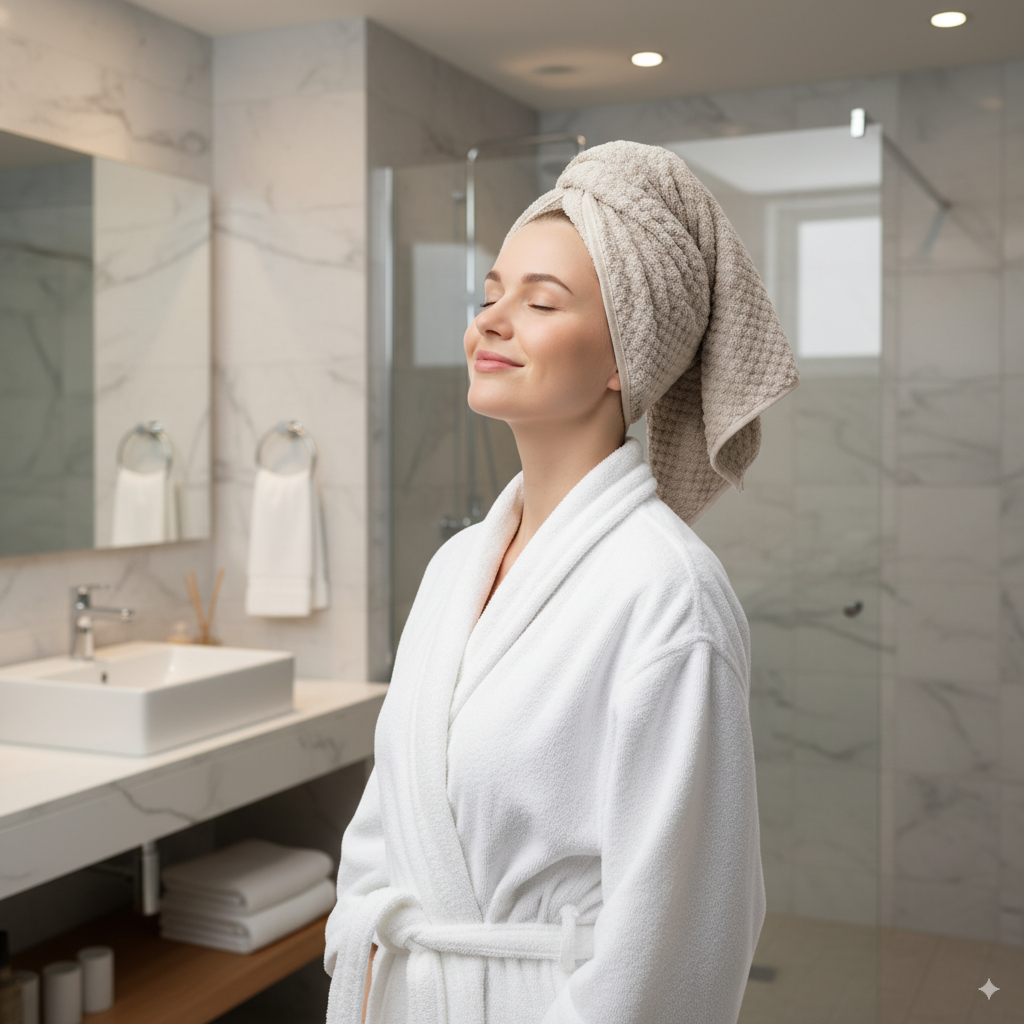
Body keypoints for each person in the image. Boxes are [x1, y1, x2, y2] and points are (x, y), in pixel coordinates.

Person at [324, 140, 800, 1024]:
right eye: (490, 296)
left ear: (627, 356)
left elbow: (680, 943)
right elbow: (384, 824)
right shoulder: (456, 566)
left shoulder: (669, 595)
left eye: (541, 302)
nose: (491, 323)